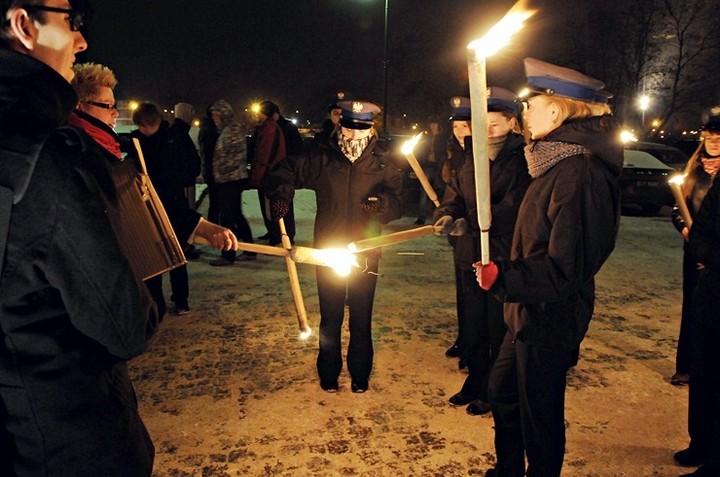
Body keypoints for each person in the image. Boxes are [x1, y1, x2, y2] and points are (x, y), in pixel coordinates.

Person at [0, 3, 153, 474]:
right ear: (24, 25)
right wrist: (149, 302)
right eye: (71, 21)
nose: (81, 41)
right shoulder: (47, 155)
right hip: (65, 435)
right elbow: (125, 325)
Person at [474, 58, 623, 477]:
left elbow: (565, 267)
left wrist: (505, 277)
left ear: (555, 111)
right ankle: (508, 470)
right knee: (502, 391)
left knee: (540, 415)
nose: (525, 114)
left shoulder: (581, 173)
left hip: (551, 315)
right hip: (526, 309)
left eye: (530, 104)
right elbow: (533, 227)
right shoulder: (553, 162)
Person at [68, 64, 237, 318]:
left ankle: (177, 302)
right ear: (79, 106)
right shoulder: (79, 153)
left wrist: (198, 225)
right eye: (107, 106)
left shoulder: (102, 148)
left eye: (114, 105)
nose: (115, 114)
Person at [263, 100, 404, 393]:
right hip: (328, 248)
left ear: (371, 127)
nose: (353, 135)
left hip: (366, 250)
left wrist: (380, 207)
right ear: (340, 125)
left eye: (361, 128)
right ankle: (328, 371)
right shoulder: (323, 156)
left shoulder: (382, 161)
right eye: (348, 128)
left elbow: (398, 200)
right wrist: (281, 194)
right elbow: (285, 170)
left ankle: (360, 372)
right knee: (331, 315)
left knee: (361, 316)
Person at [433, 89, 530, 416]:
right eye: (481, 123)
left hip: (501, 255)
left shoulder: (522, 158)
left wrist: (469, 221)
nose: (487, 131)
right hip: (469, 252)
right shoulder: (469, 156)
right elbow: (455, 194)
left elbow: (516, 207)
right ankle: (475, 381)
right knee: (473, 325)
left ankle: (494, 389)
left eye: (494, 124)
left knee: (496, 325)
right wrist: (447, 215)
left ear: (511, 123)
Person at [673, 107, 720, 477]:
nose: (713, 139)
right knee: (704, 364)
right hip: (707, 278)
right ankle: (701, 442)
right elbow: (695, 221)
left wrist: (706, 250)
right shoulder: (700, 173)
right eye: (709, 133)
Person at [130, 102, 201, 315]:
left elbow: (192, 168)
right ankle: (156, 304)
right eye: (141, 127)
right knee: (152, 255)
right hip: (147, 204)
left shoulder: (175, 139)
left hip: (173, 203)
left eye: (146, 126)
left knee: (175, 251)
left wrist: (170, 180)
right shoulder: (137, 141)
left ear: (157, 122)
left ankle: (181, 299)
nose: (144, 130)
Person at [441, 98, 474, 369]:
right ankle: (465, 338)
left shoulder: (478, 154)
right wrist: (446, 213)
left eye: (466, 125)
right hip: (460, 236)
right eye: (456, 125)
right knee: (464, 292)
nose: (460, 130)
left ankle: (474, 346)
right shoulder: (457, 152)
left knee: (477, 295)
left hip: (480, 236)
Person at [207, 99, 257, 265]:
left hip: (231, 180)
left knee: (228, 217)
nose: (215, 118)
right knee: (235, 214)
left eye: (217, 115)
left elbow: (232, 157)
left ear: (224, 115)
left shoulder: (232, 130)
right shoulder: (226, 130)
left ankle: (228, 254)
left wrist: (220, 173)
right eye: (213, 116)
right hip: (228, 179)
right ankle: (250, 250)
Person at [249, 100, 295, 245]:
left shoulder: (271, 129)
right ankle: (275, 233)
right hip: (274, 172)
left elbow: (265, 154)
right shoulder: (266, 128)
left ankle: (281, 235)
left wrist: (259, 173)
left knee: (277, 205)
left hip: (274, 173)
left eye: (260, 113)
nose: (258, 116)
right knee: (272, 205)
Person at [415, 114, 445, 225]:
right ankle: (421, 217)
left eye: (435, 124)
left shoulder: (443, 137)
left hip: (439, 166)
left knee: (440, 191)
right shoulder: (426, 137)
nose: (433, 126)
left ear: (438, 125)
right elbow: (421, 151)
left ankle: (439, 216)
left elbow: (445, 151)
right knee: (425, 192)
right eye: (431, 124)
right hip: (428, 165)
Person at [198, 104, 220, 223]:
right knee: (216, 203)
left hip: (211, 171)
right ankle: (214, 226)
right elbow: (211, 152)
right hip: (213, 172)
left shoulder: (207, 128)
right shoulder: (210, 130)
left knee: (215, 202)